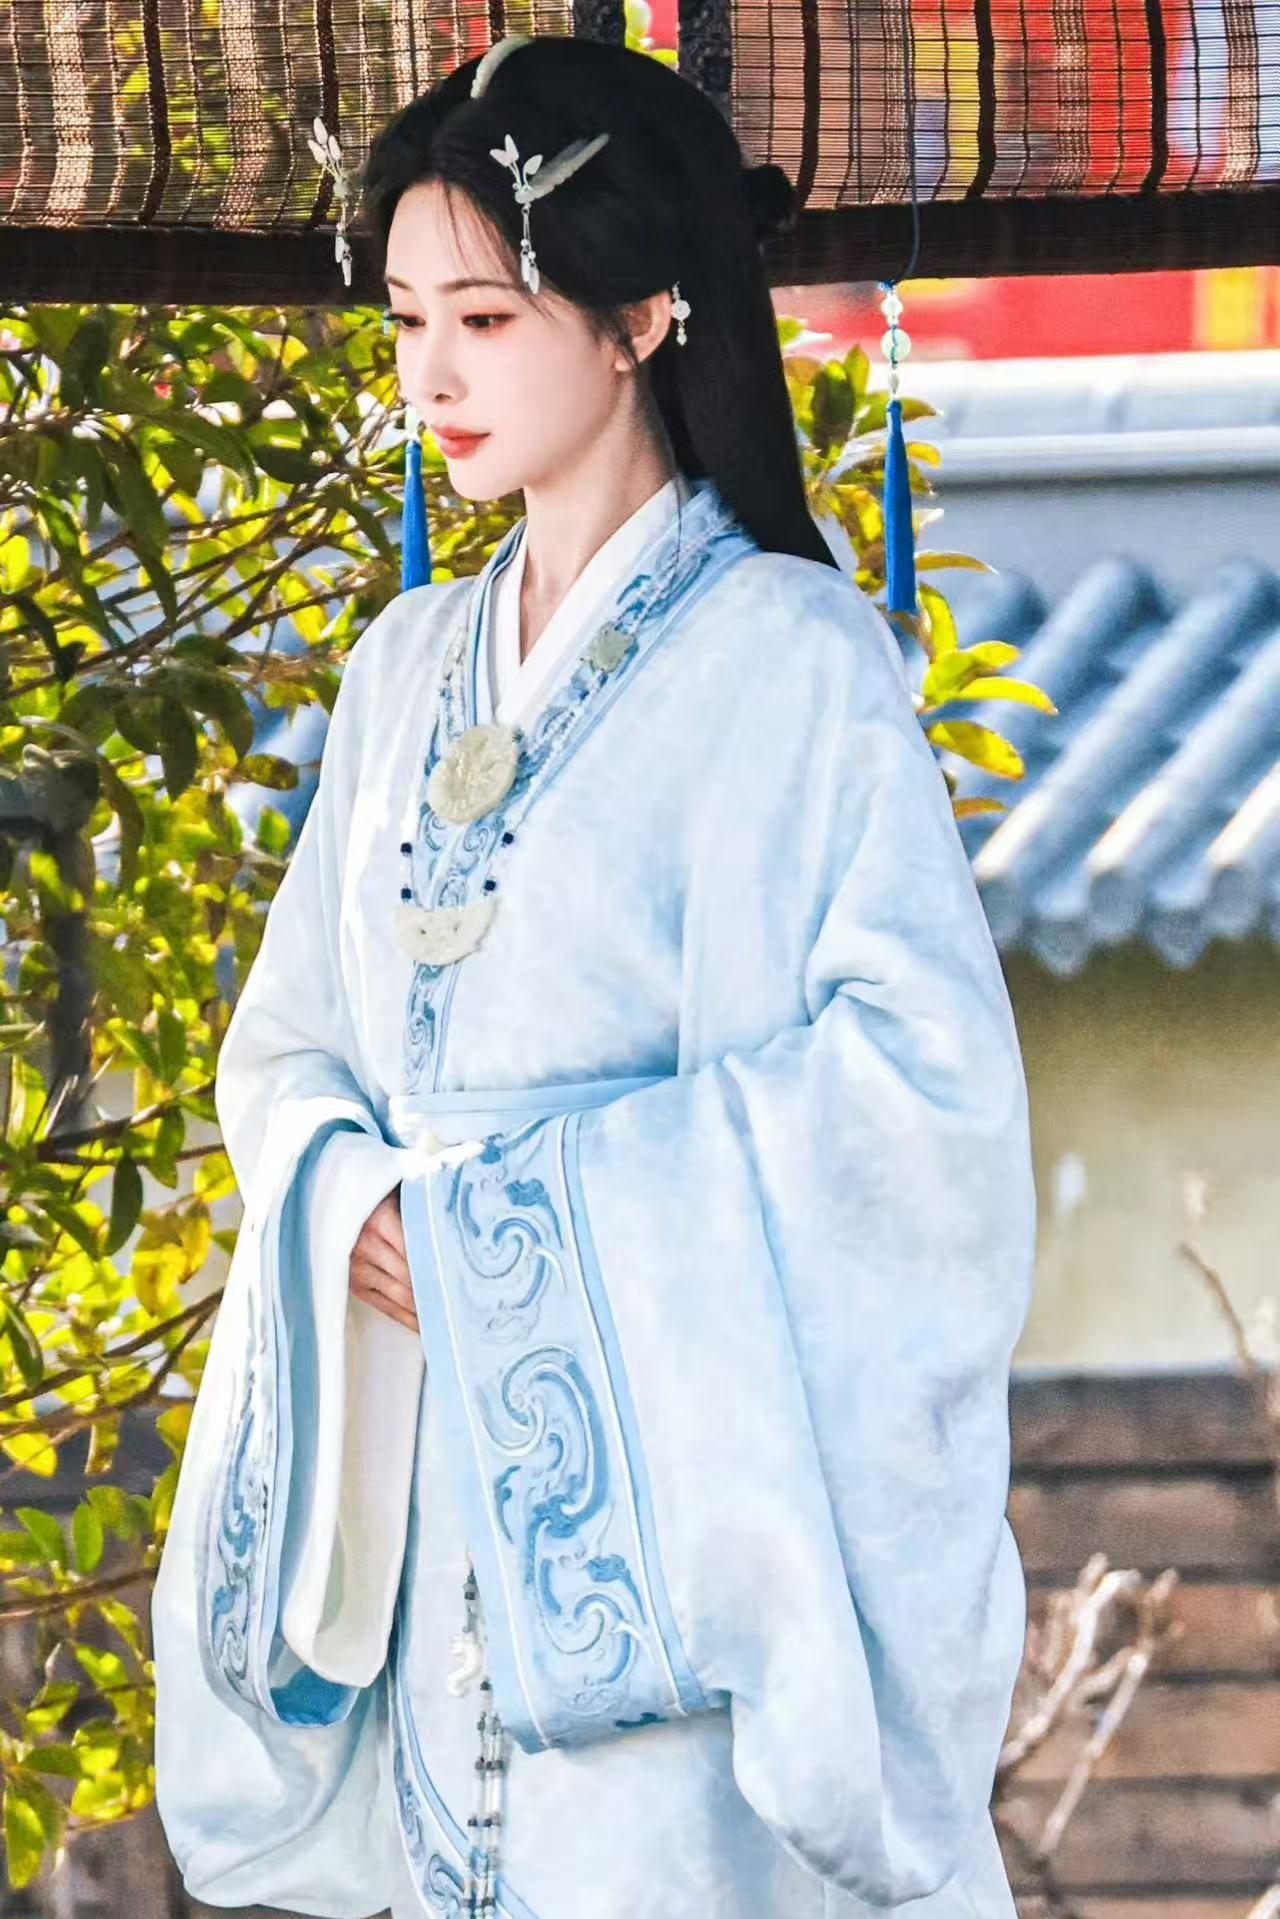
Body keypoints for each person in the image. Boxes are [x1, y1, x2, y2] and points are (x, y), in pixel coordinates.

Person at [150, 32, 1036, 1919]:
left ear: (642, 315)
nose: (431, 377)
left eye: (485, 317)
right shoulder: (402, 670)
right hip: (432, 1477)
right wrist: (349, 1197)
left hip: (679, 1494)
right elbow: (291, 1049)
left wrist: (525, 1231)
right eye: (407, 322)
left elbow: (922, 1097)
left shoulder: (792, 661)